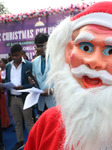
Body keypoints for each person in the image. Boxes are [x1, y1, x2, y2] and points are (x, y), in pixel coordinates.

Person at [24, 1, 112, 150]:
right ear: (68, 51)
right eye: (86, 47)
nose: (93, 62)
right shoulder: (47, 123)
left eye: (110, 51)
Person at [5, 44, 34, 150]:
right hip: (12, 99)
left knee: (29, 122)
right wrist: (5, 85)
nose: (14, 58)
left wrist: (22, 87)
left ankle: (33, 143)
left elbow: (32, 83)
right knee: (17, 122)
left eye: (16, 55)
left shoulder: (29, 65)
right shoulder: (8, 66)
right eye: (12, 56)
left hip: (25, 98)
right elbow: (7, 80)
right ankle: (19, 141)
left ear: (22, 54)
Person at [29, 33, 56, 118]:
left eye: (41, 46)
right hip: (41, 103)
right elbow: (36, 80)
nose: (38, 49)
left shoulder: (58, 58)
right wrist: (32, 82)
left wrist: (52, 89)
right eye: (37, 46)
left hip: (55, 101)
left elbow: (64, 80)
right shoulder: (35, 61)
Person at [0, 58, 10, 128]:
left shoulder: (7, 71)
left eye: (1, 62)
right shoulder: (0, 71)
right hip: (2, 91)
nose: (0, 63)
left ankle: (7, 122)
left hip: (5, 91)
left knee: (6, 107)